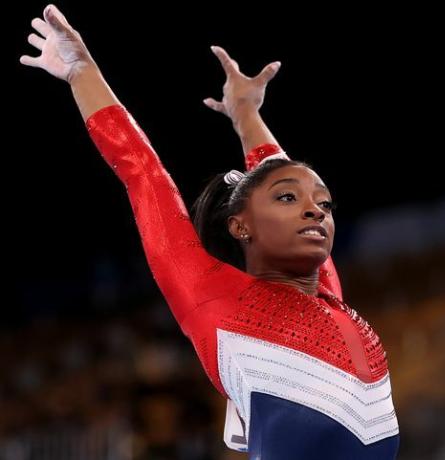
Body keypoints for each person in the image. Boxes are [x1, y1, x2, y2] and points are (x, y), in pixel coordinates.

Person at [20, 5, 400, 459]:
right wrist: (83, 72)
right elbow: (143, 174)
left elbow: (281, 174)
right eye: (288, 200)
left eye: (324, 204)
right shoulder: (212, 297)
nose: (316, 212)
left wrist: (245, 115)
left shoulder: (329, 299)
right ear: (240, 226)